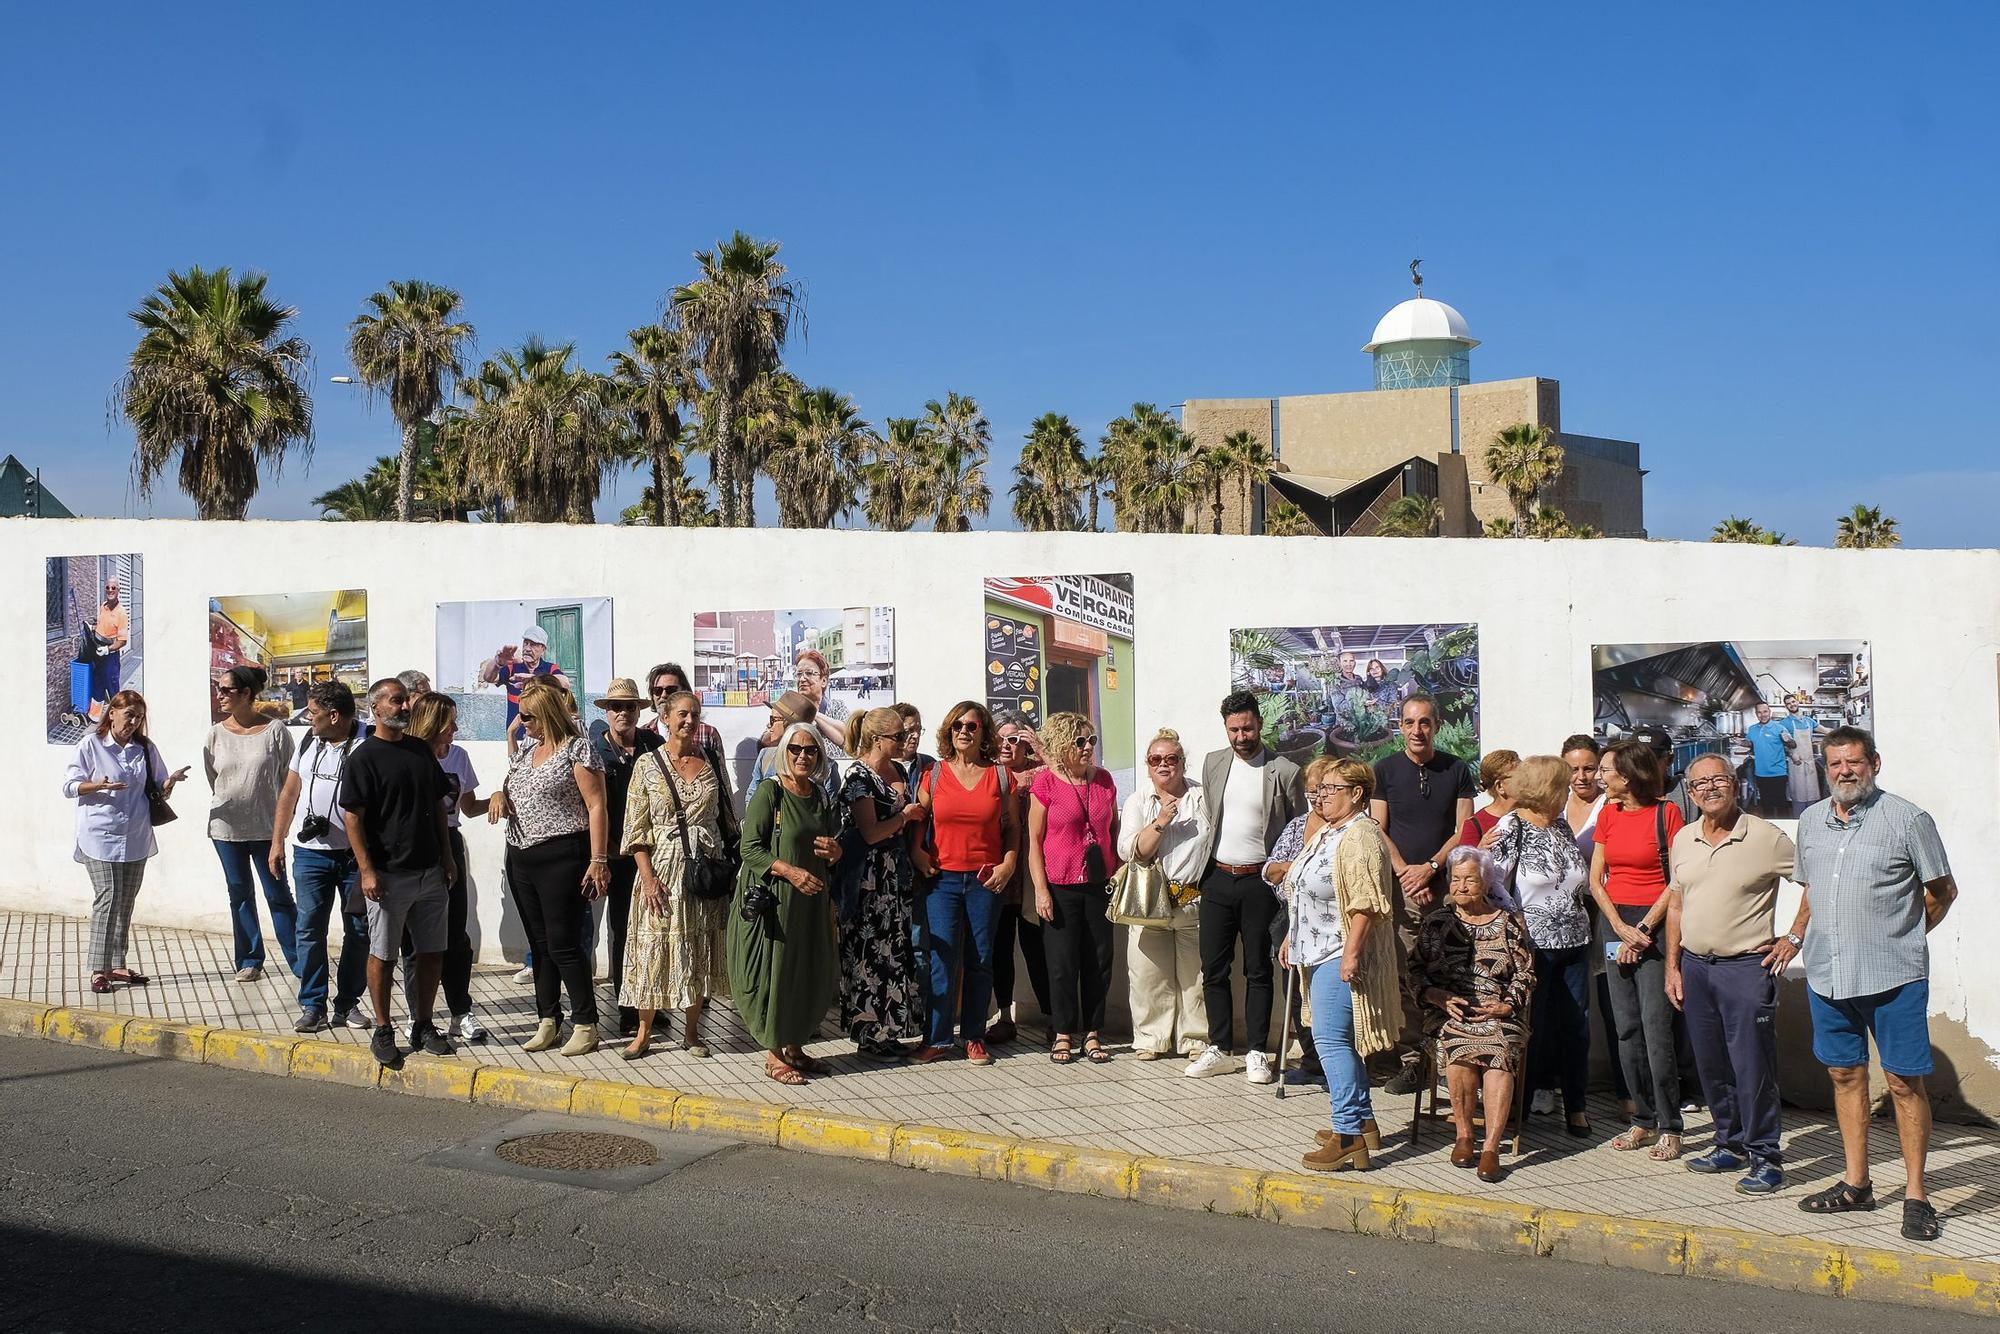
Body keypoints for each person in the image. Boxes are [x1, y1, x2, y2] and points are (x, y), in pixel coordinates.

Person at [1786, 728, 1956, 1242]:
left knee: (1905, 1084)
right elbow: (1813, 891)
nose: (1844, 772)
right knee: (1844, 1077)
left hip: (1893, 977)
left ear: (1874, 763)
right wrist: (1795, 936)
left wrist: (1902, 936)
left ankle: (1916, 1195)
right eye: (1835, 764)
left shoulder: (1908, 819)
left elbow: (1942, 892)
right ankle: (1856, 1185)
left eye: (1853, 762)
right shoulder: (1812, 821)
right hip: (1827, 975)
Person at [1661, 755, 1795, 1195]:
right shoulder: (1683, 838)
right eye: (1700, 783)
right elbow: (1676, 905)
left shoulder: (1766, 838)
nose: (1710, 789)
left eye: (1719, 780)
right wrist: (1673, 967)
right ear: (1691, 791)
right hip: (1697, 967)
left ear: (1736, 785)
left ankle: (1765, 1156)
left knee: (1752, 1066)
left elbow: (1815, 882)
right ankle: (1728, 1143)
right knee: (1712, 1064)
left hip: (1745, 969)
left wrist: (1792, 938)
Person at [1277, 758, 1399, 1173]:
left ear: (1356, 793)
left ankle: (1346, 1133)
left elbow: (1365, 903)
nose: (1321, 795)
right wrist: (1293, 934)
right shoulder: (1331, 831)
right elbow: (1305, 890)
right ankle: (1363, 1123)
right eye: (1320, 789)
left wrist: (1351, 955)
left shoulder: (1361, 836)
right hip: (1317, 948)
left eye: (1330, 788)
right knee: (1339, 1041)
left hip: (1338, 953)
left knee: (1330, 1042)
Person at [339, 678, 458, 1068]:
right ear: (375, 708)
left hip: (430, 872)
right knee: (384, 953)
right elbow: (353, 817)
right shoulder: (364, 757)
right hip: (388, 875)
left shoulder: (420, 751)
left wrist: (447, 857)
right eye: (396, 700)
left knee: (431, 953)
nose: (405, 706)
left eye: (406, 700)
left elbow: (438, 807)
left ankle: (423, 1024)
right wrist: (367, 871)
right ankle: (383, 1027)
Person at [1186, 690, 1304, 1083]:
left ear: (1259, 725)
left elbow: (1296, 827)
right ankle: (1218, 1047)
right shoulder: (1214, 763)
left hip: (1260, 882)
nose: (1241, 736)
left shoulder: (1283, 770)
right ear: (1226, 729)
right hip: (1218, 878)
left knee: (1258, 970)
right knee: (1213, 968)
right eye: (1234, 729)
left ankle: (1257, 1051)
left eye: (1248, 728)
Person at [490, 679, 610, 1057]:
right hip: (521, 854)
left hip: (562, 853)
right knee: (538, 945)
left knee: (564, 943)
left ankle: (586, 1023)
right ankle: (548, 1019)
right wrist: (497, 793)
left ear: (545, 714)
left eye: (527, 716)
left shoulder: (577, 749)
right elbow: (511, 786)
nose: (521, 721)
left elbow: (596, 806)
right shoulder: (527, 749)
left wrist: (598, 859)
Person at [1369, 693, 1476, 1093]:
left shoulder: (1457, 769)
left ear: (1436, 726)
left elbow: (1463, 829)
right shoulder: (1386, 770)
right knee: (1408, 975)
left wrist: (1430, 869)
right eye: (1410, 722)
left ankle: (1453, 1062)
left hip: (1448, 891)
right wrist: (1405, 874)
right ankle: (1414, 1061)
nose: (1418, 730)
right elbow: (1379, 827)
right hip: (1402, 892)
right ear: (1401, 727)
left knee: (1453, 971)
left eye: (1425, 722)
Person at [618, 689, 733, 1060]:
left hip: (703, 869)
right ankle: (643, 1032)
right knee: (653, 949)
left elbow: (724, 817)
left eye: (694, 715)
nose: (688, 721)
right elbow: (636, 829)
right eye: (681, 714)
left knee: (698, 947)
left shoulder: (710, 759)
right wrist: (647, 877)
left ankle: (693, 1032)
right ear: (665, 718)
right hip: (662, 870)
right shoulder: (647, 765)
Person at [1414, 845, 1537, 1182]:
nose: (1461, 886)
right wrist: (1437, 997)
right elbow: (1414, 971)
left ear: (1486, 883)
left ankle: (1492, 1148)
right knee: (1458, 1046)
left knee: (1499, 1048)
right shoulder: (1436, 924)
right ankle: (1464, 1135)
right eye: (1455, 880)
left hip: (1498, 1010)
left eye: (1470, 879)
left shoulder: (1507, 923)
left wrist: (1508, 1005)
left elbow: (1526, 973)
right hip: (1451, 1009)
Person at [731, 721, 845, 1083]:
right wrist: (790, 872)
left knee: (807, 970)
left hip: (810, 901)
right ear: (784, 752)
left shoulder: (822, 795)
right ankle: (774, 1053)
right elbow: (749, 848)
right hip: (776, 900)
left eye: (810, 750)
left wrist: (836, 851)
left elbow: (830, 846)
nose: (802, 756)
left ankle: (795, 1047)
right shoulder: (771, 792)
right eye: (795, 749)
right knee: (776, 971)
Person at [1589, 739, 1687, 1159]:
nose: (1600, 776)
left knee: (1655, 1026)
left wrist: (1644, 928)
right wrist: (1619, 929)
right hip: (1617, 924)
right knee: (1625, 1026)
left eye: (1606, 770)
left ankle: (1670, 1123)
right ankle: (1641, 1119)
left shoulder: (1668, 813)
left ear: (1627, 777)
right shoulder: (1608, 814)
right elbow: (1597, 879)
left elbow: (1677, 880)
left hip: (1656, 922)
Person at [1489, 756, 1595, 1136]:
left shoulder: (1562, 827)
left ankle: (1577, 1106)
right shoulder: (1513, 825)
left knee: (1576, 1027)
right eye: (1564, 785)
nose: (1569, 792)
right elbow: (1494, 883)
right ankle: (1520, 1110)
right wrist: (1516, 919)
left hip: (1575, 942)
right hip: (1533, 945)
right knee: (1534, 1027)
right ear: (1548, 788)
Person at [912, 701, 1018, 1064]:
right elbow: (918, 819)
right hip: (941, 880)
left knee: (981, 960)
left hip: (984, 881)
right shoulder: (935, 774)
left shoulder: (1001, 776)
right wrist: (917, 853)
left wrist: (1008, 864)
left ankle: (974, 1037)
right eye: (957, 725)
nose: (964, 731)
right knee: (941, 959)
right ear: (948, 731)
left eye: (972, 726)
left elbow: (1013, 828)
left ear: (983, 732)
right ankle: (938, 1039)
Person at [64, 691, 188, 994]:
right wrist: (97, 785)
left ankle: (117, 964)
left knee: (125, 902)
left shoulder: (144, 748)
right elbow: (69, 787)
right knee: (108, 898)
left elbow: (159, 788)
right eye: (129, 714)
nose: (134, 721)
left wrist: (169, 784)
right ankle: (98, 969)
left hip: (136, 836)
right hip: (99, 835)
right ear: (112, 713)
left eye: (139, 716)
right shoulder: (90, 745)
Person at [271, 682, 372, 1032]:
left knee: (359, 930)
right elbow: (289, 791)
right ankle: (313, 1004)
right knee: (309, 928)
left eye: (313, 713)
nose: (308, 718)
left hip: (355, 856)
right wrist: (277, 841)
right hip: (310, 855)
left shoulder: (368, 743)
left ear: (335, 715)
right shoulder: (309, 741)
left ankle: (348, 1003)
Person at [1027, 710, 1121, 1066]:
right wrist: (1040, 889)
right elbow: (1034, 841)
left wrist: (1117, 869)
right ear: (1061, 745)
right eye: (1079, 742)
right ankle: (1064, 1032)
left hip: (1099, 885)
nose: (1087, 748)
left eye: (1091, 740)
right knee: (1062, 963)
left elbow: (1113, 830)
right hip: (1060, 885)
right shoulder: (1046, 784)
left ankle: (1093, 1032)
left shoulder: (1105, 780)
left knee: (1099, 961)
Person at [840, 708, 927, 1059]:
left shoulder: (899, 771)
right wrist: (904, 816)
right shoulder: (858, 777)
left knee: (894, 954)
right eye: (897, 736)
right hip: (868, 880)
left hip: (896, 877)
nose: (904, 741)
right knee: (867, 955)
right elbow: (871, 831)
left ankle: (890, 1030)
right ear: (877, 739)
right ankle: (868, 1034)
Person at [1117, 728, 1210, 1060]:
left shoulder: (1203, 797)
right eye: (1156, 759)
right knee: (1146, 977)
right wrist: (1161, 821)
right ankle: (1151, 1040)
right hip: (1147, 903)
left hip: (1192, 900)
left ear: (1182, 762)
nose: (1164, 765)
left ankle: (1195, 1039)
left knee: (1195, 979)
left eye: (1171, 759)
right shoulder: (1138, 800)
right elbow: (1131, 851)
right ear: (1147, 764)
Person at [205, 665, 300, 984]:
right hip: (225, 830)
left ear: (246, 693)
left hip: (266, 830)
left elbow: (290, 781)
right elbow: (214, 779)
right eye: (218, 688)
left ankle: (301, 962)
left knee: (278, 895)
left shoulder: (275, 731)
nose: (219, 695)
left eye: (226, 690)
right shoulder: (215, 733)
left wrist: (281, 830)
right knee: (240, 894)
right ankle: (249, 959)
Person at [404, 692, 490, 1043]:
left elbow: (468, 808)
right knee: (414, 942)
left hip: (450, 844)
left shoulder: (458, 756)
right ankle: (418, 1017)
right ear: (433, 723)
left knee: (457, 937)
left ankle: (460, 1011)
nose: (455, 728)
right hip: (412, 850)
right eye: (449, 721)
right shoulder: (405, 754)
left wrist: (502, 798)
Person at [589, 678, 664, 1036]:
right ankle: (627, 1008)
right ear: (607, 712)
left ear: (638, 711)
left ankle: (653, 1004)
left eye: (630, 707)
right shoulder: (594, 751)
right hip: (616, 857)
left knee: (654, 930)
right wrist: (597, 857)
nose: (623, 713)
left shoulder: (654, 744)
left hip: (653, 856)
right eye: (616, 707)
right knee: (621, 932)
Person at [989, 716, 1051, 1044]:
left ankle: (1053, 1015)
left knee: (1037, 949)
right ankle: (1003, 1015)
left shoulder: (1043, 773)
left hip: (1031, 877)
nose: (1006, 746)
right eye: (1000, 739)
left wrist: (1043, 752)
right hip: (999, 873)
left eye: (1014, 739)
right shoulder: (989, 773)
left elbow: (1074, 779)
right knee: (999, 949)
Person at [481, 626, 569, 741]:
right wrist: (497, 662)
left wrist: (535, 679)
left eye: (533, 644)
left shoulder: (550, 668)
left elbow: (565, 683)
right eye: (525, 643)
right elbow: (488, 677)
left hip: (544, 736)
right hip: (516, 736)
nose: (527, 648)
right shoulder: (512, 667)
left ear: (543, 649)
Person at [744, 690, 821, 800]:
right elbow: (751, 796)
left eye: (773, 720)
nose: (768, 725)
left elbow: (828, 812)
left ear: (788, 724)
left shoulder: (825, 768)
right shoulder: (765, 756)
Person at [643, 662, 722, 758]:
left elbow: (719, 771)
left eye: (671, 689)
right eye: (657, 691)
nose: (663, 695)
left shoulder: (707, 733)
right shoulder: (643, 734)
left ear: (684, 690)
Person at [793, 649, 851, 757]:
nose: (802, 679)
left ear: (823, 681)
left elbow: (848, 737)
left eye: (809, 673)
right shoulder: (791, 710)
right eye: (798, 674)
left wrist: (812, 713)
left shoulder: (837, 707)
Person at [1459, 749, 1520, 850]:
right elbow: (1463, 863)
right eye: (1520, 777)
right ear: (1500, 786)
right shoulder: (1474, 825)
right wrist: (1479, 852)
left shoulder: (1533, 814)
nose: (1528, 781)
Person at [89, 576, 130, 720]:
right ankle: (94, 716)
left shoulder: (122, 613)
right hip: (98, 653)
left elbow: (123, 641)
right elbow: (102, 626)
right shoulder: (103, 606)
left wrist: (108, 650)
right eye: (108, 587)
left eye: (113, 588)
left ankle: (118, 718)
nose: (110, 590)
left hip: (111, 656)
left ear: (119, 590)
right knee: (97, 683)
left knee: (112, 686)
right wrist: (92, 628)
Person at [1742, 703, 1792, 819]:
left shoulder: (1779, 727)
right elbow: (1749, 744)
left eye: (1765, 711)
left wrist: (1788, 740)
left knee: (1781, 805)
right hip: (1761, 773)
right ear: (1756, 714)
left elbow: (1792, 744)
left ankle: (1784, 830)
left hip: (1778, 772)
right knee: (1766, 805)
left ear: (1769, 712)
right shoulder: (1752, 729)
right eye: (1759, 712)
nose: (1762, 715)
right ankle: (1770, 831)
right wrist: (1742, 743)